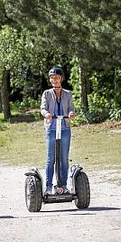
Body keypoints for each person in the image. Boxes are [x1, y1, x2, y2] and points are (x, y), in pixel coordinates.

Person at [40, 67, 75, 195]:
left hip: (65, 128)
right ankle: (49, 187)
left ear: (61, 79)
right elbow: (43, 108)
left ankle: (63, 185)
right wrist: (47, 114)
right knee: (51, 159)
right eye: (52, 78)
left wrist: (71, 113)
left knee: (64, 159)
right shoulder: (47, 94)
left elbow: (71, 108)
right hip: (52, 129)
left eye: (56, 77)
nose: (54, 80)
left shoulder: (68, 94)